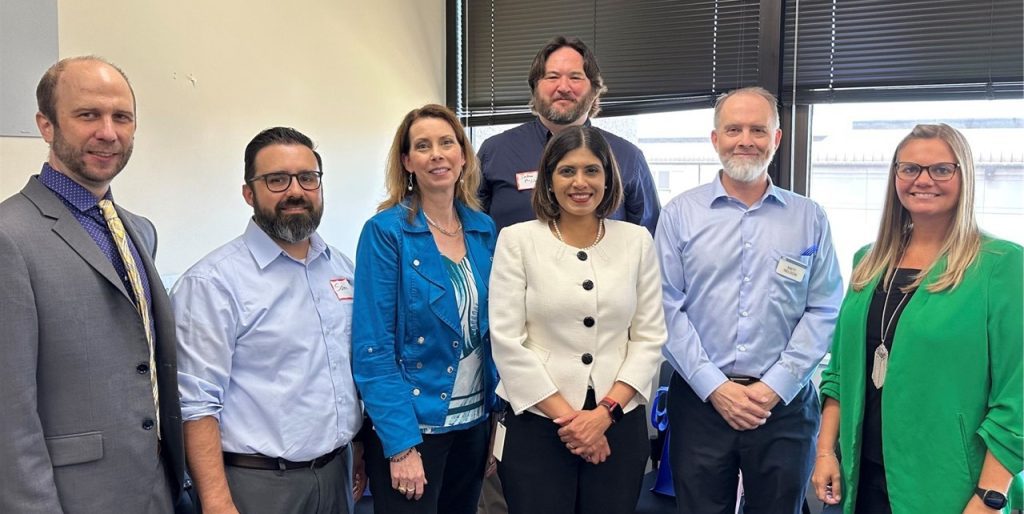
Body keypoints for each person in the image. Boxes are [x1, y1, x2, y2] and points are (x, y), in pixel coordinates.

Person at [0, 56, 189, 513]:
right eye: (88, 115)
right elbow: (8, 412)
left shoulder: (139, 231)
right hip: (75, 499)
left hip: (159, 489)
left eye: (121, 117)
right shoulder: (9, 236)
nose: (108, 132)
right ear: (46, 126)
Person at [810, 124, 1022, 514]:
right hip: (859, 478)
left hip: (950, 488)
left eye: (941, 169)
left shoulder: (1001, 265)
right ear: (895, 176)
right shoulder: (868, 262)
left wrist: (990, 498)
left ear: (964, 176)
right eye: (910, 168)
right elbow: (838, 373)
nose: (923, 180)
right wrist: (825, 451)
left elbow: (1017, 397)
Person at [655, 86, 844, 514]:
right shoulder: (679, 214)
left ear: (776, 139)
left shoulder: (809, 217)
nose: (746, 140)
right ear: (715, 139)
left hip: (784, 406)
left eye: (758, 130)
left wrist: (775, 386)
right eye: (733, 129)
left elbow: (825, 308)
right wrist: (715, 386)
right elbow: (664, 307)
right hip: (701, 402)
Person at [171, 127, 364, 514]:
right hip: (257, 484)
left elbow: (348, 372)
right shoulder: (212, 283)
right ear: (249, 193)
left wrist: (357, 448)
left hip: (336, 474)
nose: (295, 191)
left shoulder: (341, 268)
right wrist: (216, 502)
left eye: (307, 178)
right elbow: (195, 405)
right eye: (277, 180)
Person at [489, 125, 667, 514]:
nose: (580, 182)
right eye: (567, 171)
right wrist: (576, 423)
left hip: (618, 420)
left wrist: (603, 416)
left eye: (592, 170)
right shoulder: (517, 240)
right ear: (549, 180)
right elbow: (506, 341)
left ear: (608, 178)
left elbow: (649, 337)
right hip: (537, 419)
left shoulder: (636, 241)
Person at [352, 104, 499, 514]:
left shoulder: (483, 229)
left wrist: (495, 424)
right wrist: (400, 447)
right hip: (414, 429)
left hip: (474, 424)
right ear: (407, 162)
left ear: (463, 155)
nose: (437, 154)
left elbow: (494, 332)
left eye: (446, 143)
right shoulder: (385, 232)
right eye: (422, 146)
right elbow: (372, 348)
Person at [477, 35, 661, 234]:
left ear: (594, 90)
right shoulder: (494, 152)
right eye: (552, 77)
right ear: (535, 87)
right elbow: (468, 231)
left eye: (575, 77)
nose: (563, 87)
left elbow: (649, 238)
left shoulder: (628, 157)